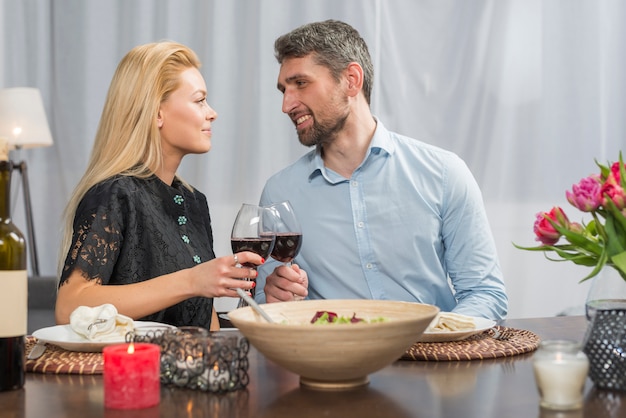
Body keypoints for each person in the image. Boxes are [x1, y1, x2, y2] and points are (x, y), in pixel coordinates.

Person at [256, 20, 508, 320]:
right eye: (284, 89)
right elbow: (260, 304)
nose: (287, 104)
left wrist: (428, 340)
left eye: (300, 83)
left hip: (434, 359)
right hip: (335, 363)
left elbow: (485, 294)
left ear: (351, 80)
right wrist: (275, 298)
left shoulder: (444, 173)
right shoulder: (280, 193)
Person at [55, 41, 262, 330]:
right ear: (156, 113)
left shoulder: (193, 201)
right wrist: (192, 280)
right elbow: (69, 307)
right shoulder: (115, 195)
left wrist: (268, 308)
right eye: (199, 100)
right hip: (130, 373)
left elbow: (205, 322)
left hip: (190, 372)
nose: (211, 112)